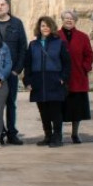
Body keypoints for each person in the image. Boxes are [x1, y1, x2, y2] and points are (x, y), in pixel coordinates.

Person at [0, 0, 28, 145]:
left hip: (11, 72)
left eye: (2, 4)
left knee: (10, 103)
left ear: (8, 7)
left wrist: (17, 69)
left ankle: (12, 133)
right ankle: (0, 131)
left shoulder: (17, 23)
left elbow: (23, 47)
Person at [24, 16, 71, 148]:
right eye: (43, 26)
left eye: (47, 25)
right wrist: (28, 81)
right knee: (43, 111)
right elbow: (28, 64)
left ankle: (57, 137)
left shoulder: (59, 43)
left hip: (54, 80)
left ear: (52, 27)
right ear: (39, 28)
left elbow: (67, 63)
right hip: (38, 80)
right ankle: (48, 135)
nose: (45, 28)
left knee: (55, 112)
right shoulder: (33, 45)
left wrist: (62, 78)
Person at [59, 10, 93, 144]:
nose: (69, 20)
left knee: (76, 108)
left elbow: (89, 54)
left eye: (72, 19)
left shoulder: (82, 37)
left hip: (78, 76)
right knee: (59, 107)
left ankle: (75, 133)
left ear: (75, 21)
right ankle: (58, 133)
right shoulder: (56, 35)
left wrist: (85, 67)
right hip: (61, 77)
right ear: (62, 20)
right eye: (66, 18)